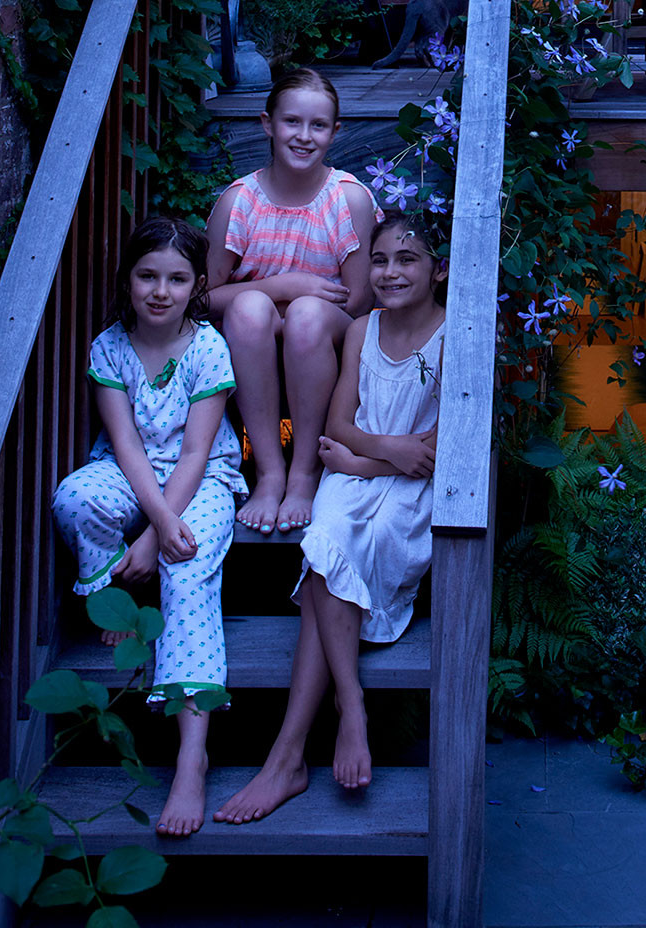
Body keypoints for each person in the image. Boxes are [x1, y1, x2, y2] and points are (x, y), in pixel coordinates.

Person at [214, 215, 446, 824]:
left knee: (358, 544)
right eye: (380, 260)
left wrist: (367, 461)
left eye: (408, 259)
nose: (390, 272)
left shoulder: (453, 336)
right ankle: (351, 704)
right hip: (357, 473)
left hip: (404, 491)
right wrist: (381, 453)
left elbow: (433, 452)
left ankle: (287, 756)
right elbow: (337, 425)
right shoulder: (363, 329)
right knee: (324, 537)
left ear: (439, 270)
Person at [52, 215, 244, 838]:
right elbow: (127, 444)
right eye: (147, 276)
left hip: (201, 477)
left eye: (177, 279)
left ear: (197, 286)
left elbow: (195, 453)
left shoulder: (208, 348)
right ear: (127, 280)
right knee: (76, 497)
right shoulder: (110, 347)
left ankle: (192, 755)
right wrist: (151, 521)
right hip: (132, 470)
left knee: (185, 568)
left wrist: (159, 532)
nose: (160, 291)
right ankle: (118, 598)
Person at [206, 66, 380, 536]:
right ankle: (269, 473)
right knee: (248, 308)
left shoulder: (347, 200)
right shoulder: (239, 203)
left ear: (334, 132)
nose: (304, 136)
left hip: (328, 333)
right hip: (253, 336)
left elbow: (358, 301)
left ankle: (305, 472)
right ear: (267, 124)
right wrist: (285, 285)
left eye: (318, 125)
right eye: (292, 122)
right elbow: (205, 297)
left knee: (304, 315)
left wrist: (297, 303)